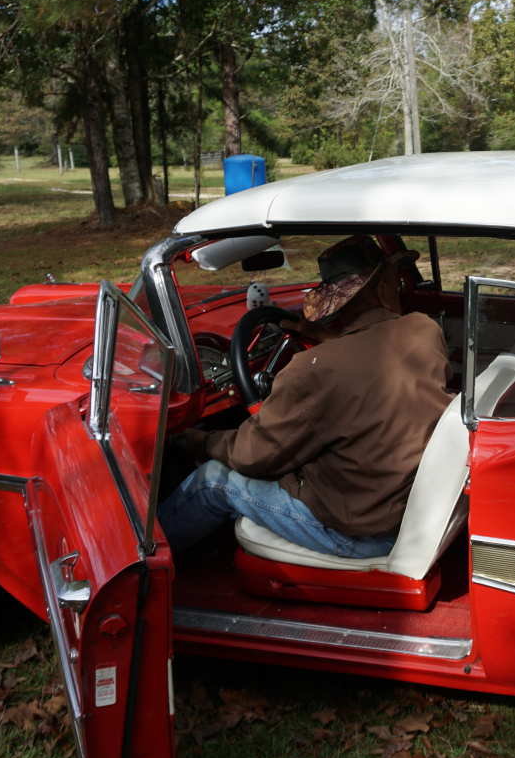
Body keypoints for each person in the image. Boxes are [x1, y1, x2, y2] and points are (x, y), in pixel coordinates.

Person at [159, 236, 451, 559]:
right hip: (407, 509)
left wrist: (197, 442)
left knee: (211, 480)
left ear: (335, 303)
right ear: (382, 287)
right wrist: (328, 338)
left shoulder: (315, 370)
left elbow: (251, 456)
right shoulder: (424, 331)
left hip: (355, 531)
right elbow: (364, 358)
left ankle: (146, 565)